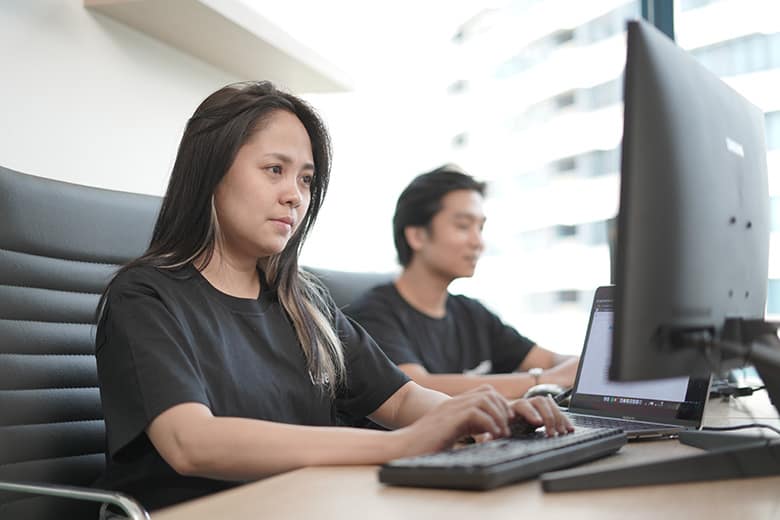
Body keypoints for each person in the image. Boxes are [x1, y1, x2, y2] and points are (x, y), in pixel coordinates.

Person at [93, 82, 572, 511]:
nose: (294, 196)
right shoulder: (146, 296)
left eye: (305, 179)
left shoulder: (304, 303)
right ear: (210, 173)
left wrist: (489, 414)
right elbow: (192, 442)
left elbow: (402, 399)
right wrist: (403, 445)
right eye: (274, 169)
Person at [347, 165, 579, 400]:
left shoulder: (472, 313)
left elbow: (549, 360)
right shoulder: (372, 315)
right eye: (463, 226)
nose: (478, 242)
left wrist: (583, 367)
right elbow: (415, 389)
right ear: (417, 235)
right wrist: (546, 380)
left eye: (480, 228)